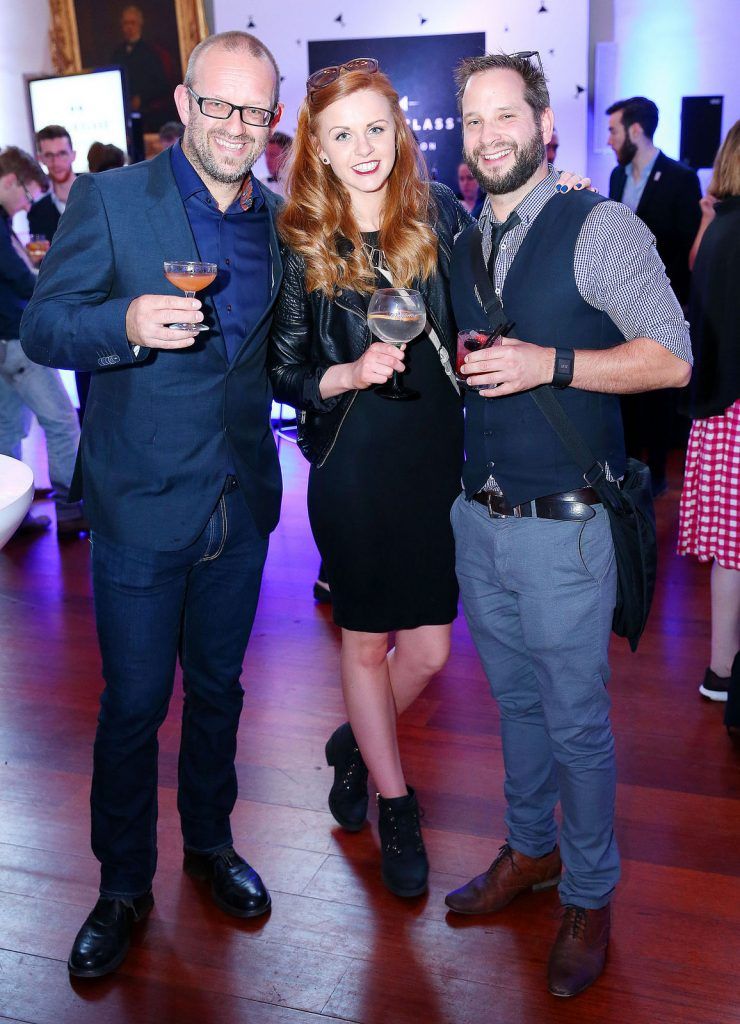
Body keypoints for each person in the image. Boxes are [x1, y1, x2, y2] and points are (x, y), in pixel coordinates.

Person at [21, 30, 285, 978]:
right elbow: (45, 324)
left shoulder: (280, 221)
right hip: (139, 507)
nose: (236, 127)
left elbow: (279, 355)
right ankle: (123, 884)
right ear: (183, 103)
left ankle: (209, 846)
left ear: (273, 117)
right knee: (134, 704)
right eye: (219, 106)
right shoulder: (112, 198)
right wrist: (124, 326)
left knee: (219, 693)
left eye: (255, 111)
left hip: (239, 507)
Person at [445, 53, 692, 998]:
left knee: (577, 723)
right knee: (514, 706)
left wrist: (553, 363)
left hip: (565, 529)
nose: (490, 134)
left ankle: (590, 890)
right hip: (481, 520)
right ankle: (530, 850)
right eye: (473, 120)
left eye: (507, 115)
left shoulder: (601, 225)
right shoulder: (468, 236)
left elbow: (671, 358)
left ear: (545, 125)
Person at [269, 58, 473, 899]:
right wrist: (347, 374)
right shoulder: (302, 242)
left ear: (401, 130)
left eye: (375, 128)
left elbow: (494, 297)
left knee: (426, 649)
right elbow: (281, 372)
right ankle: (394, 802)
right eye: (341, 133)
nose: (363, 148)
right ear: (316, 145)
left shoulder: (441, 219)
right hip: (352, 467)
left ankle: (358, 739)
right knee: (365, 642)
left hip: (434, 470)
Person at [677, 119, 740, 730]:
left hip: (715, 405)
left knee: (730, 553)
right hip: (737, 404)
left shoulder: (720, 227)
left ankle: (721, 666)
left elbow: (695, 271)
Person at [607, 96, 702, 496]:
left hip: (663, 306)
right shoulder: (616, 178)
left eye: (613, 131)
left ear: (635, 130)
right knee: (623, 384)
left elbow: (687, 248)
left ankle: (659, 473)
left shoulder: (681, 178)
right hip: (617, 307)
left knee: (659, 394)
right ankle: (625, 466)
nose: (610, 140)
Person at [0, 145, 85, 537]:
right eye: (27, 193)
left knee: (6, 429)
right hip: (14, 340)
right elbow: (19, 280)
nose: (27, 202)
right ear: (9, 181)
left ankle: (10, 517)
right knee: (64, 421)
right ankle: (70, 511)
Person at [111, 5, 177, 132]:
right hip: (123, 112)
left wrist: (141, 99)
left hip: (149, 114)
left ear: (139, 24)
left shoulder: (151, 52)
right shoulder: (117, 54)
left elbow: (162, 85)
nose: (129, 27)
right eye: (126, 23)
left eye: (132, 23)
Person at [30, 125, 76, 242]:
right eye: (49, 155)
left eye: (62, 153)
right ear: (40, 159)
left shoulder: (96, 197)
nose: (56, 162)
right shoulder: (36, 212)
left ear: (73, 155)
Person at [264, 129, 292, 197]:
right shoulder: (261, 185)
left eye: (273, 155)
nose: (268, 160)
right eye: (266, 155)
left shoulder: (296, 187)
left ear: (286, 157)